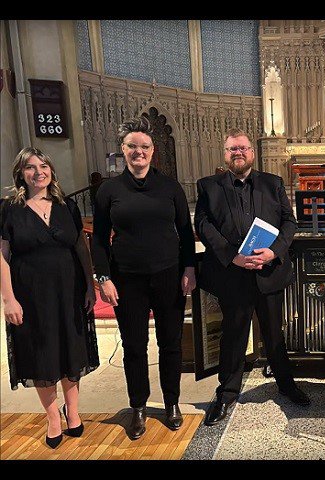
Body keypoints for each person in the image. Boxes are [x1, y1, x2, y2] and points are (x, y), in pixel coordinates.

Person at [195, 128, 310, 426]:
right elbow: (204, 225)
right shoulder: (209, 186)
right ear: (225, 153)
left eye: (243, 148)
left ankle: (285, 384)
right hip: (232, 274)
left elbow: (289, 221)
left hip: (268, 272)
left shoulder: (272, 183)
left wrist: (273, 252)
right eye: (233, 149)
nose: (238, 153)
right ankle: (227, 391)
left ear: (252, 152)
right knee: (233, 335)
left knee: (274, 333)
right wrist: (231, 255)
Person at [91, 117, 196, 440]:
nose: (139, 152)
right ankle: (137, 407)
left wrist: (189, 268)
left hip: (168, 275)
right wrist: (103, 277)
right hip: (127, 279)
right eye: (133, 146)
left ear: (153, 152)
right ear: (123, 150)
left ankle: (171, 403)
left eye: (145, 147)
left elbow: (185, 232)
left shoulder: (170, 187)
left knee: (170, 343)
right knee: (135, 345)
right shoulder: (109, 190)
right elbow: (98, 238)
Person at [1, 147, 99, 449]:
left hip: (68, 292)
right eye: (31, 167)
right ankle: (52, 418)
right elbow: (2, 256)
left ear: (51, 171)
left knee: (71, 349)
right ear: (21, 173)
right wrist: (8, 299)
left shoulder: (66, 205)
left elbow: (81, 248)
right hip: (31, 296)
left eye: (44, 166)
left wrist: (89, 286)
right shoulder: (9, 209)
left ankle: (73, 412)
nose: (38, 172)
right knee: (41, 354)